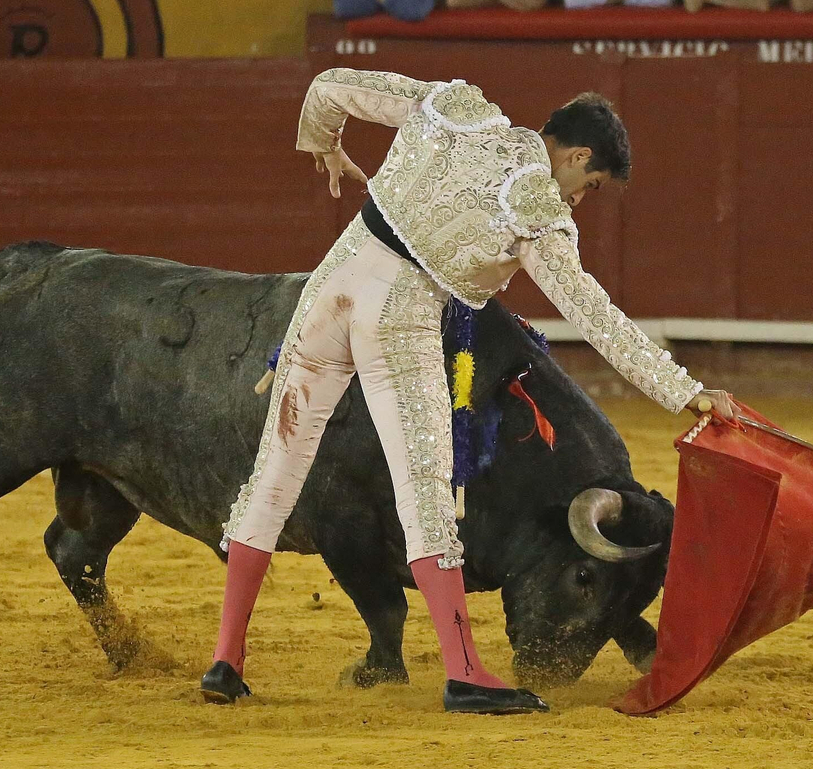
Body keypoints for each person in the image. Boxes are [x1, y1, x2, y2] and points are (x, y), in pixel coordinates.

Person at [202, 68, 737, 713]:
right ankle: (464, 672)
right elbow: (594, 316)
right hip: (399, 319)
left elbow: (328, 85)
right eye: (589, 186)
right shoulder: (536, 209)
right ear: (577, 156)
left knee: (275, 474)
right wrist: (686, 390)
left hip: (329, 290)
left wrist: (323, 142)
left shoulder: (455, 108)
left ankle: (227, 659)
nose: (578, 202)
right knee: (425, 494)